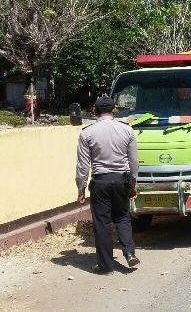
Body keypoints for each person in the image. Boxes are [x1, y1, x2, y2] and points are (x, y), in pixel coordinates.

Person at [76, 96, 140, 275]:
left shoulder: (87, 133)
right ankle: (128, 253)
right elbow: (134, 161)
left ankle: (106, 266)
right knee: (122, 217)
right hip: (122, 180)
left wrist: (80, 188)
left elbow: (83, 166)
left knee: (102, 223)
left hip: (101, 181)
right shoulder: (127, 130)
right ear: (114, 110)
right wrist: (133, 183)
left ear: (95, 112)